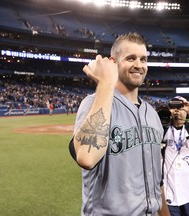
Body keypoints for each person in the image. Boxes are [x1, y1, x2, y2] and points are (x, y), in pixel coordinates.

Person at [69, 32, 170, 216]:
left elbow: (157, 179)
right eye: (130, 58)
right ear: (113, 62)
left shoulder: (152, 115)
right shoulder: (94, 103)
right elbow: (86, 157)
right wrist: (106, 83)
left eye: (143, 59)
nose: (138, 65)